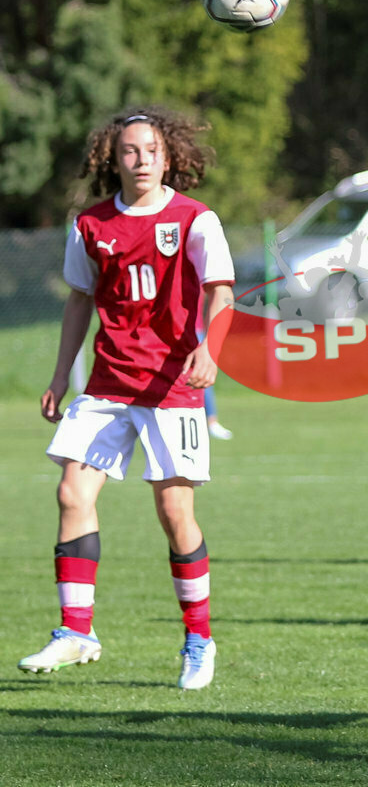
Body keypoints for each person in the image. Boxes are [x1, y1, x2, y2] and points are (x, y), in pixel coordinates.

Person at [19, 107, 235, 690]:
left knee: (174, 513)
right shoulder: (90, 225)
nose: (141, 160)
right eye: (130, 151)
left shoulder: (195, 219)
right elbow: (79, 301)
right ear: (112, 160)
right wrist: (59, 377)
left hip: (171, 389)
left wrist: (210, 351)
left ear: (169, 158)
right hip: (108, 385)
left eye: (151, 151)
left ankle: (199, 640)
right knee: (71, 492)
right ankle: (76, 632)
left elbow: (221, 293)